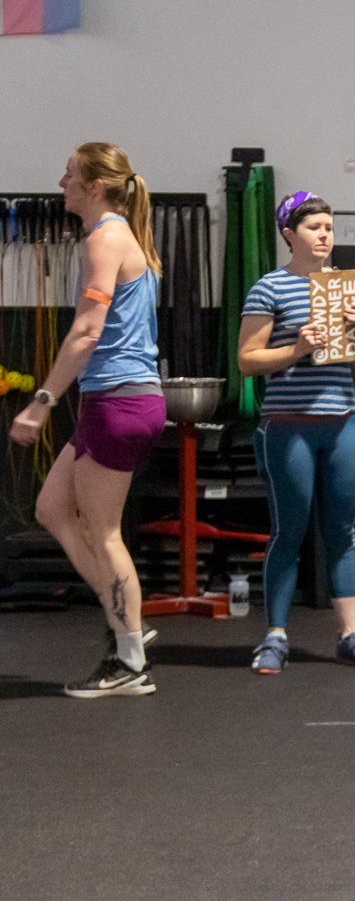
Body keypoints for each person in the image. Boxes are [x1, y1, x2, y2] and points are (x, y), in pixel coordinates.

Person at [11, 143, 165, 697]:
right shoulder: (124, 236)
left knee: (102, 534)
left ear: (95, 185)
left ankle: (130, 663)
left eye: (70, 175)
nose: (61, 182)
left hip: (120, 403)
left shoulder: (105, 238)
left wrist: (40, 402)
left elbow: (86, 332)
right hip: (117, 400)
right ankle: (129, 622)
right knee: (52, 508)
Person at [237, 191, 355, 674]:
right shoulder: (269, 288)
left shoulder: (342, 288)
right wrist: (297, 348)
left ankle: (350, 634)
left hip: (342, 419)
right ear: (289, 235)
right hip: (289, 424)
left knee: (342, 530)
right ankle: (275, 636)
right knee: (289, 531)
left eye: (329, 228)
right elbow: (246, 361)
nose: (324, 236)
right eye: (314, 228)